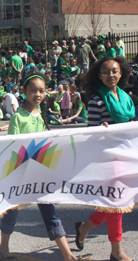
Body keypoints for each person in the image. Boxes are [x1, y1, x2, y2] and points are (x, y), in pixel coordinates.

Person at [0, 73, 93, 261]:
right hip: (21, 173)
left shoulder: (39, 114)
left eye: (41, 91)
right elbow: (12, 145)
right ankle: (3, 248)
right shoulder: (18, 116)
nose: (38, 95)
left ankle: (68, 255)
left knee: (50, 213)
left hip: (39, 173)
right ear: (24, 91)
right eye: (33, 90)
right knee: (12, 212)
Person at [76, 56, 134, 261]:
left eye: (115, 71)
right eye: (106, 72)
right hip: (109, 160)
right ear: (99, 76)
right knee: (117, 204)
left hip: (127, 156)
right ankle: (116, 252)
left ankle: (84, 227)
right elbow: (91, 135)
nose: (111, 75)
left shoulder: (126, 98)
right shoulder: (96, 101)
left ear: (121, 74)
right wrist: (102, 132)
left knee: (114, 204)